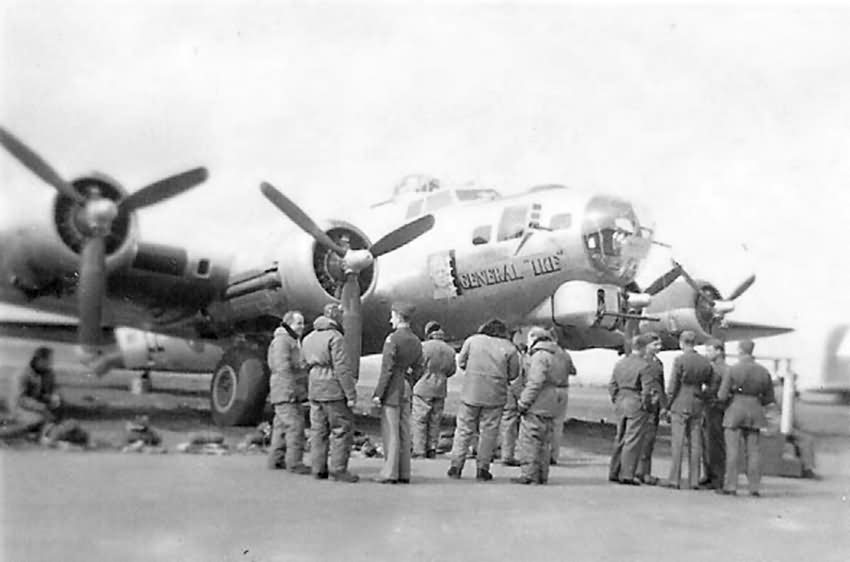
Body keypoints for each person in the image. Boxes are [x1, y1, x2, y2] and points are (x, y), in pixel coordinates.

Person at [447, 318, 520, 481]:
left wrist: (474, 371)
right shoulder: (509, 348)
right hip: (495, 395)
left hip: (471, 392)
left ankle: (456, 466)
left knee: (464, 429)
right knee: (489, 432)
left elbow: (462, 362)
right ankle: (482, 468)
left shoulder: (472, 341)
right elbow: (514, 373)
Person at [301, 303, 359, 483]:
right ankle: (338, 470)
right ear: (335, 317)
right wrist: (350, 394)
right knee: (341, 429)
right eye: (341, 314)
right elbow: (342, 368)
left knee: (318, 430)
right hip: (333, 388)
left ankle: (318, 468)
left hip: (314, 387)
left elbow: (303, 363)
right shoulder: (336, 338)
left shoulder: (308, 338)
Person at [372, 303, 425, 484]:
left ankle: (390, 473)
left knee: (391, 431)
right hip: (406, 387)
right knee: (404, 430)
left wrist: (379, 393)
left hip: (393, 387)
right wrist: (410, 381)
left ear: (398, 317)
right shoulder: (416, 340)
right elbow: (420, 368)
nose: (390, 320)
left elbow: (387, 368)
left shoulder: (392, 339)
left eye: (392, 316)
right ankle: (404, 472)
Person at [717, 339, 776, 496]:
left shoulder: (733, 370)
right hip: (755, 410)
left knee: (732, 451)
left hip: (735, 410)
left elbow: (722, 395)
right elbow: (769, 397)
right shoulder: (763, 371)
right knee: (754, 452)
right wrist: (756, 401)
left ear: (740, 351)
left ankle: (731, 486)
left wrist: (730, 399)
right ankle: (754, 487)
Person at [511, 327, 570, 485]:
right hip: (556, 402)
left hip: (540, 401)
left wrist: (523, 402)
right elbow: (572, 370)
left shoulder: (540, 356)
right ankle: (542, 474)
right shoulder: (562, 354)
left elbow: (535, 382)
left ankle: (529, 474)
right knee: (546, 440)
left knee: (530, 438)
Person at [661, 330, 713, 490]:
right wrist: (702, 396)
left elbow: (672, 386)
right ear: (695, 343)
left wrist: (666, 406)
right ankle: (694, 480)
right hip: (697, 404)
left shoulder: (680, 360)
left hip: (680, 403)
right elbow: (711, 384)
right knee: (695, 443)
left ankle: (674, 479)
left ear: (682, 343)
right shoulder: (705, 362)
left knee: (677, 443)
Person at [608, 334, 661, 485]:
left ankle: (614, 471)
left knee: (620, 437)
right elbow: (646, 390)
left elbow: (612, 385)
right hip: (635, 402)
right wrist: (647, 406)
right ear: (644, 348)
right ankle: (627, 474)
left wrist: (616, 399)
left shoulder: (620, 363)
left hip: (621, 401)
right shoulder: (645, 366)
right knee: (632, 439)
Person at [266, 311, 311, 474]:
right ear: (288, 324)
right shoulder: (283, 341)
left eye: (302, 323)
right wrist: (291, 389)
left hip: (285, 389)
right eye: (298, 323)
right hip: (285, 389)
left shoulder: (290, 340)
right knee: (295, 426)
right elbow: (282, 366)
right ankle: (294, 462)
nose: (301, 327)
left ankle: (276, 459)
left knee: (280, 426)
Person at [411, 320, 456, 459]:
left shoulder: (423, 347)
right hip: (440, 388)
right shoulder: (450, 350)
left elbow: (417, 366)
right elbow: (452, 370)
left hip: (423, 386)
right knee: (435, 420)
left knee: (420, 419)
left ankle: (419, 450)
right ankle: (432, 448)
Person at [5, 347, 61, 434]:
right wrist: (41, 407)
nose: (51, 363)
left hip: (38, 407)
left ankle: (41, 431)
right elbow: (21, 400)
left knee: (55, 418)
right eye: (48, 360)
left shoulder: (49, 373)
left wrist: (54, 397)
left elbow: (53, 389)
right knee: (38, 420)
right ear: (39, 360)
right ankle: (8, 432)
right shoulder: (22, 374)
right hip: (20, 408)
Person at [635, 332, 667, 485]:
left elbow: (661, 386)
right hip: (644, 404)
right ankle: (638, 471)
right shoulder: (642, 362)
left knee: (649, 440)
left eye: (659, 344)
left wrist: (664, 405)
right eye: (655, 345)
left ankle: (645, 471)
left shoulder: (658, 363)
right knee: (641, 439)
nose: (659, 347)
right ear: (646, 346)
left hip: (655, 405)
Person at [699, 338, 728, 489]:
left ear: (719, 351)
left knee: (715, 444)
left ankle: (717, 478)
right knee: (707, 443)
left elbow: (721, 392)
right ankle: (709, 474)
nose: (707, 353)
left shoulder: (723, 369)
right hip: (709, 409)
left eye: (709, 350)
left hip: (716, 410)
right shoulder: (714, 367)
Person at [499, 332, 527, 466]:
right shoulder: (515, 354)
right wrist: (521, 399)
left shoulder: (495, 350)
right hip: (508, 394)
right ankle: (507, 455)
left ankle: (485, 452)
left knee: (487, 423)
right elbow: (515, 379)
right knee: (508, 425)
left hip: (491, 391)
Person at [549, 342, 577, 466]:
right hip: (563, 389)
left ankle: (543, 453)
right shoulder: (565, 355)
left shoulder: (545, 354)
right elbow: (573, 371)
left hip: (549, 389)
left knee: (544, 421)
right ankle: (554, 455)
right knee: (558, 424)